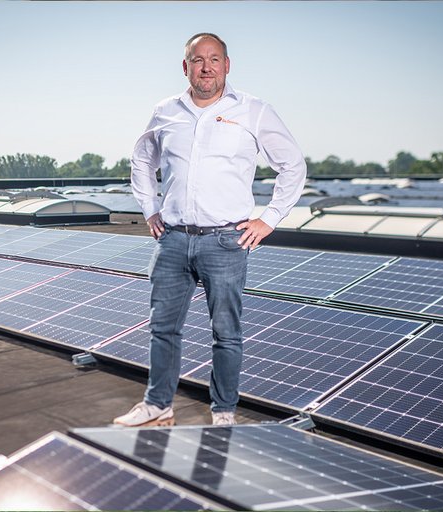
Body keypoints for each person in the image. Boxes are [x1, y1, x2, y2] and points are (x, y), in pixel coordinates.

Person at [114, 32, 307, 427]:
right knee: (163, 328)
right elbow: (140, 160)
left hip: (225, 241)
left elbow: (293, 165)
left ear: (227, 65)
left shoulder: (254, 110)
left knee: (226, 333)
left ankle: (222, 412)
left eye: (214, 59)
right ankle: (157, 404)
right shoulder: (165, 110)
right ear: (185, 67)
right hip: (172, 238)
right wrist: (151, 208)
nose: (206, 67)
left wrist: (268, 218)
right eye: (198, 60)